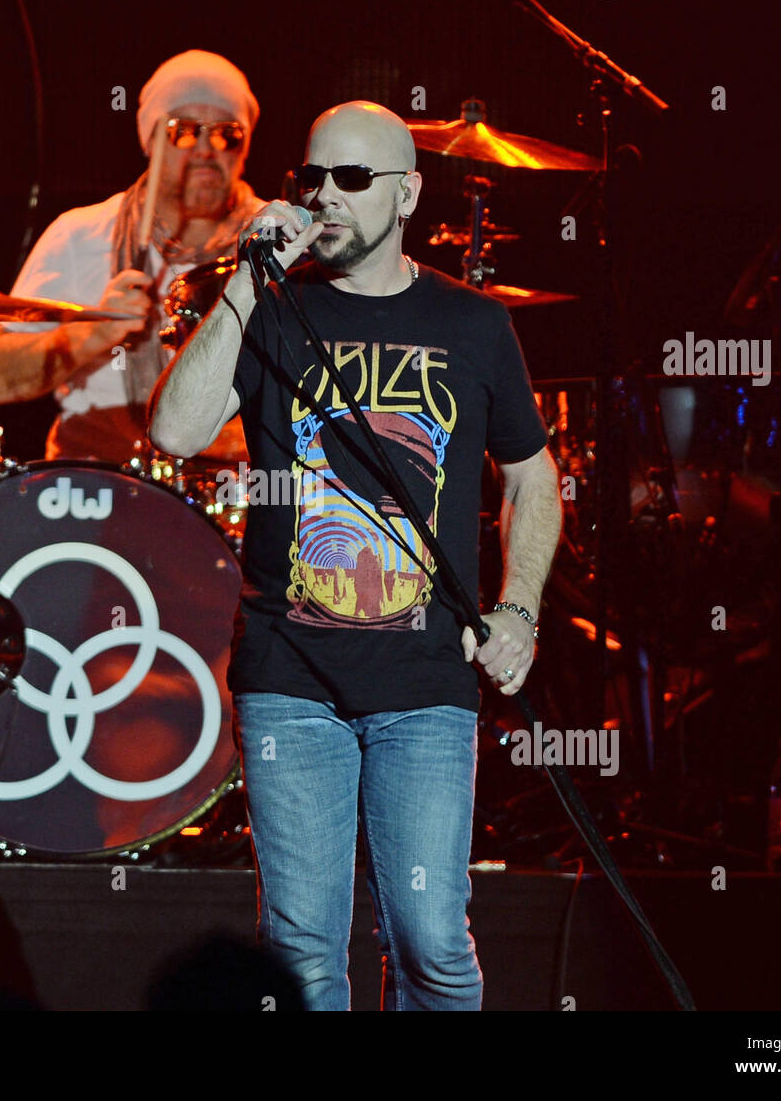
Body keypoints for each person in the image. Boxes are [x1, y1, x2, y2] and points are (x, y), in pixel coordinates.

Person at [149, 100, 562, 1010]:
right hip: (289, 674)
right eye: (314, 177)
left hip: (423, 679)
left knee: (432, 945)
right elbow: (175, 430)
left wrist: (519, 609)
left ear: (408, 194)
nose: (326, 197)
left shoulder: (474, 325)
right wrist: (250, 281)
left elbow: (534, 479)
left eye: (353, 179)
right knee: (300, 955)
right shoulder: (273, 309)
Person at [0, 50, 265, 465]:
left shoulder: (279, 240)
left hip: (239, 489)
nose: (206, 149)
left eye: (227, 133)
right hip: (99, 487)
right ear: (149, 140)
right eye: (184, 131)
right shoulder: (81, 234)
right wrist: (93, 333)